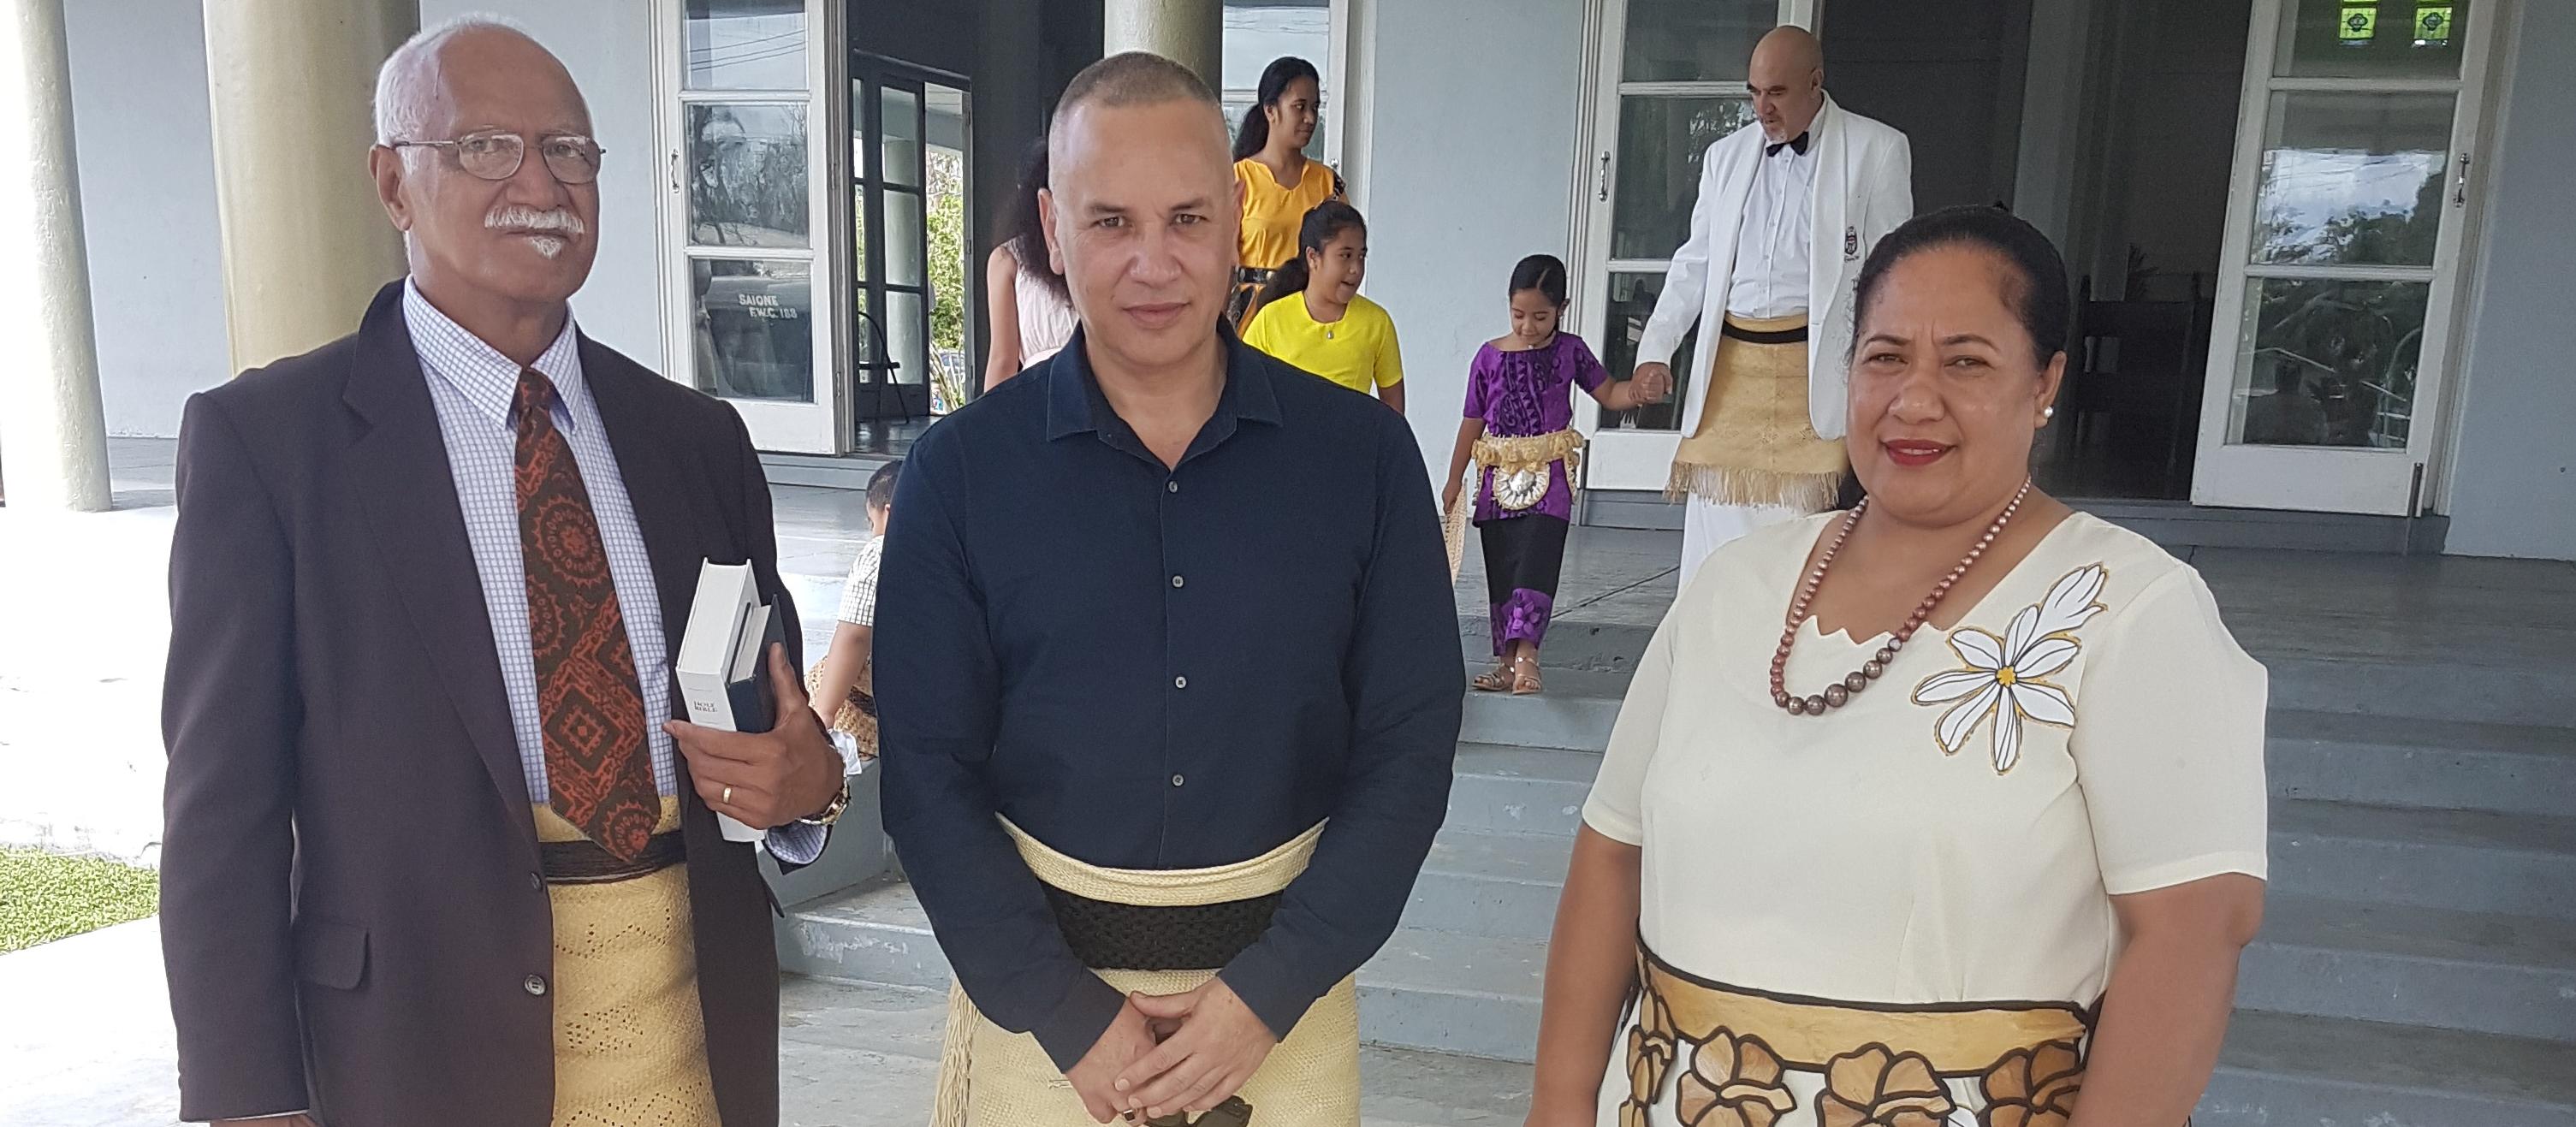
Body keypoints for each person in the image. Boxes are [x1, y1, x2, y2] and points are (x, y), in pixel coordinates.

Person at [157, 18, 861, 1127]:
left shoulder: (694, 440)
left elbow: (778, 730)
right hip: (418, 1052)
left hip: (691, 1052)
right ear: (392, 182)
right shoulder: (273, 447)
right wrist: (247, 1098)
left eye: (571, 150)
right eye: (484, 147)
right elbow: (221, 814)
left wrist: (806, 790)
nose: (541, 181)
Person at [1524, 206, 2269, 1127]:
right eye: (1884, 357)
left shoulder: (2130, 610)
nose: (1915, 400)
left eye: (1965, 361)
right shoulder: (1736, 587)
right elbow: (1611, 852)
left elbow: (2192, 933)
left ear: (2046, 383)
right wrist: (1558, 1105)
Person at [875, 51, 1461, 1127]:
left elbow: (1410, 747)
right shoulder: (959, 475)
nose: (1154, 264)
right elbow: (924, 774)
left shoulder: (1363, 462)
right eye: (1110, 224)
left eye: (1187, 219)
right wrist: (1068, 1016)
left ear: (1237, 226)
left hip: (1284, 1014)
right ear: (1052, 229)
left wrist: (1265, 995)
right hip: (1046, 1035)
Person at [1631, 26, 1913, 590]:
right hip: (1731, 368)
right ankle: (1710, 659)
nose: (1762, 108)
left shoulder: (1877, 150)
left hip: (1815, 374)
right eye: (1754, 93)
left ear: (1816, 83)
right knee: (1715, 538)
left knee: (1801, 546)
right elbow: (1696, 263)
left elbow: (1894, 280)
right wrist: (1656, 348)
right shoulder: (1724, 157)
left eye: (1777, 93)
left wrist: (1890, 377)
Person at [1440, 255, 1671, 695]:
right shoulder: (1488, 358)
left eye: (1540, 316)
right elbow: (1471, 421)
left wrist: (1638, 391)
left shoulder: (1570, 351)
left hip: (1550, 476)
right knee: (1503, 567)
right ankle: (1506, 663)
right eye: (1519, 315)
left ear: (1561, 310)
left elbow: (1610, 392)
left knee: (1537, 561)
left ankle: (1529, 655)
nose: (1528, 326)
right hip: (1497, 477)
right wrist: (1455, 478)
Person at [1240, 200, 1406, 413]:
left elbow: (1394, 411)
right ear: (1313, 257)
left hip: (1352, 446)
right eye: (1345, 256)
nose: (1356, 269)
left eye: (1361, 257)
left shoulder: (1377, 322)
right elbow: (1244, 396)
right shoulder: (1270, 319)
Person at [1228, 56, 1342, 327]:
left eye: (1315, 107)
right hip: (1252, 315)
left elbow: (1344, 251)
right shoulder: (1239, 177)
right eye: (1299, 107)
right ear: (1271, 110)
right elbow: (1220, 261)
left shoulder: (1326, 183)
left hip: (1309, 313)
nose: (1310, 118)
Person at [808, 459, 902, 747]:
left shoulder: (881, 552)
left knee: (821, 674)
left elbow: (855, 635)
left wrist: (824, 712)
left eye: (872, 523)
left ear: (889, 513)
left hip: (896, 704)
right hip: (960, 698)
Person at [984, 139, 1078, 391]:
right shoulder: (1097, 249)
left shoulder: (1007, 259)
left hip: (1038, 395)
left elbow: (1002, 360)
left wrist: (987, 424)